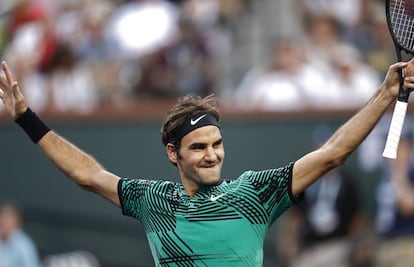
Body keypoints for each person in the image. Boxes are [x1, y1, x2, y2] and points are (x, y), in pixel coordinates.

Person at [0, 58, 414, 266]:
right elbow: (86, 174)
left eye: (216, 143)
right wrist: (25, 118)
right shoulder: (152, 200)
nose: (212, 154)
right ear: (173, 154)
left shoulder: (255, 192)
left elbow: (332, 154)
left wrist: (384, 94)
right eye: (198, 147)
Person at [374, 130, 414, 267]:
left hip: (407, 244)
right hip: (385, 243)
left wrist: (399, 174)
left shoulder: (410, 174)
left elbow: (408, 206)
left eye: (399, 146)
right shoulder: (385, 175)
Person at [0, 203, 41, 267]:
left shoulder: (24, 245)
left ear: (16, 222)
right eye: (2, 220)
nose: (4, 223)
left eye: (8, 219)